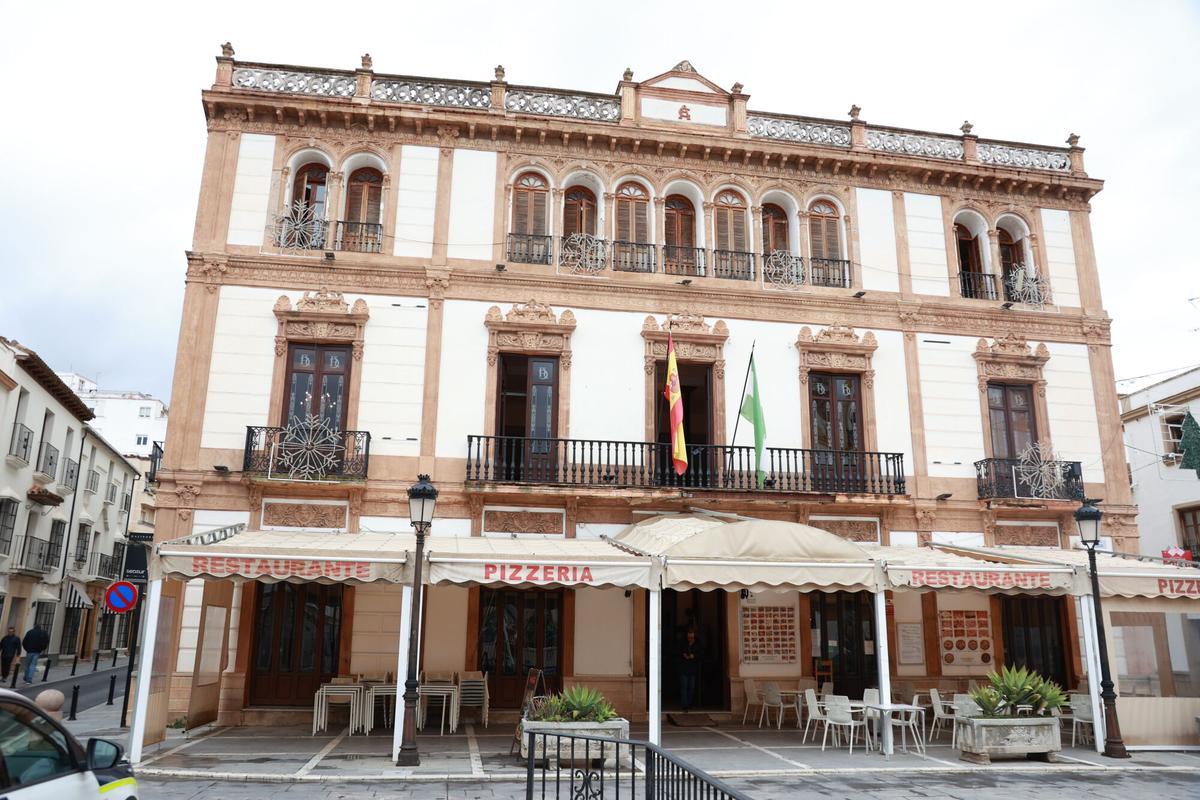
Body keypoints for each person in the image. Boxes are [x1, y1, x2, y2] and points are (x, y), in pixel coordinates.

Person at [679, 629, 701, 713]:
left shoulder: (698, 644)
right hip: (684, 668)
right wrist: (684, 655)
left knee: (691, 687)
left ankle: (689, 704)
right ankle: (685, 706)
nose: (690, 639)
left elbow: (701, 654)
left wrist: (694, 656)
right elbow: (679, 651)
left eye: (691, 637)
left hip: (693, 669)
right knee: (684, 687)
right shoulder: (683, 643)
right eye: (689, 637)